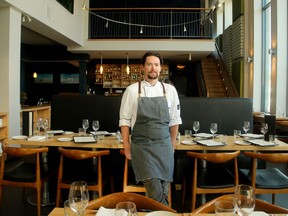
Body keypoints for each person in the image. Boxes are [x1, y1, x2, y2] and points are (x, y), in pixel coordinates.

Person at [119, 51, 182, 206]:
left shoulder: (170, 91)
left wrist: (172, 145)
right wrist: (127, 146)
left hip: (164, 146)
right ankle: (166, 212)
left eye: (156, 64)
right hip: (142, 147)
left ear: (161, 68)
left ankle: (158, 212)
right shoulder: (132, 90)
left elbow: (175, 120)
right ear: (143, 68)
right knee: (155, 190)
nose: (153, 68)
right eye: (149, 64)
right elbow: (124, 121)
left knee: (164, 190)